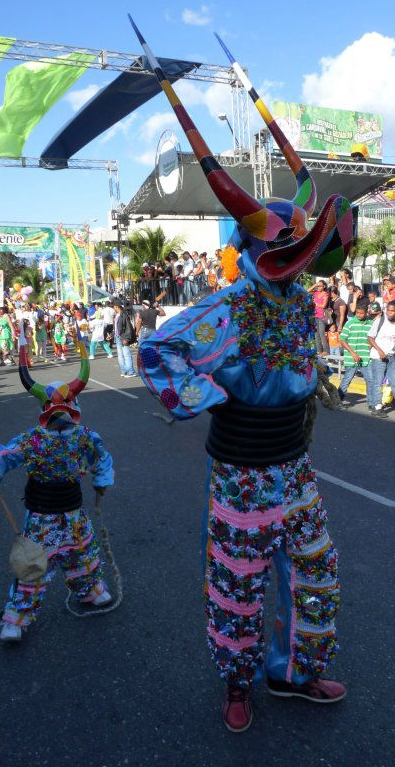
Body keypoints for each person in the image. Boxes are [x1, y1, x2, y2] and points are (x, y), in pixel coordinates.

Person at [136, 44, 347, 734]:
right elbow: (157, 348)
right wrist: (205, 400)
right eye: (281, 247)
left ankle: (295, 671)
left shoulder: (301, 305)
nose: (294, 259)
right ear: (252, 252)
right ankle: (238, 682)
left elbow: (303, 369)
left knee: (316, 576)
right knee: (239, 589)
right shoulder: (228, 309)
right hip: (243, 479)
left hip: (297, 470)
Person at [0, 331, 114, 641]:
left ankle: (90, 591)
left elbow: (101, 457)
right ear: (43, 410)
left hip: (73, 512)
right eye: (54, 410)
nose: (60, 414)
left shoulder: (84, 436)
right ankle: (15, 619)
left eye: (67, 406)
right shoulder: (32, 439)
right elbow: (7, 454)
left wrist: (102, 480)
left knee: (83, 555)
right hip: (41, 517)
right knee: (33, 567)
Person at [338, 298, 373, 406]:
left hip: (366, 358)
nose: (359, 315)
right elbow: (342, 339)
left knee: (370, 380)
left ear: (366, 313)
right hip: (351, 357)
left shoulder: (370, 323)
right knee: (347, 379)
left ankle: (372, 403)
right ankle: (338, 400)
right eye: (357, 313)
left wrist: (370, 345)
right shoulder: (350, 323)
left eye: (361, 313)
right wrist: (352, 353)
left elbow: (372, 338)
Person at [113, 299, 136, 377]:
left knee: (126, 354)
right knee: (120, 355)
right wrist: (112, 334)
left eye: (114, 307)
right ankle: (123, 370)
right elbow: (116, 328)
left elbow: (128, 328)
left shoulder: (124, 315)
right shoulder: (117, 315)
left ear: (117, 307)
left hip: (123, 337)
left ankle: (131, 372)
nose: (113, 308)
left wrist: (126, 338)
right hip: (118, 337)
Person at [309, 280, 330, 354]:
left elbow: (324, 305)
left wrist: (316, 304)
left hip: (322, 316)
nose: (318, 287)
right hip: (315, 315)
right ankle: (319, 350)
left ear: (324, 286)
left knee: (322, 334)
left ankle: (326, 351)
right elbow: (307, 291)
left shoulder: (325, 294)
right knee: (316, 334)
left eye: (320, 286)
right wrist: (315, 285)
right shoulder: (316, 293)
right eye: (318, 286)